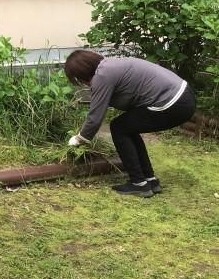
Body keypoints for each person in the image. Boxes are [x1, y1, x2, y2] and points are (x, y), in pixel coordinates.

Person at [64, 50, 196, 198]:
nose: (82, 83)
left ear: (82, 73)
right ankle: (150, 181)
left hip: (172, 102)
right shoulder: (110, 66)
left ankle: (139, 184)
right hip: (183, 97)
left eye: (79, 79)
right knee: (128, 127)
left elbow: (95, 117)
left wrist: (80, 138)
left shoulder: (102, 76)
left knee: (119, 128)